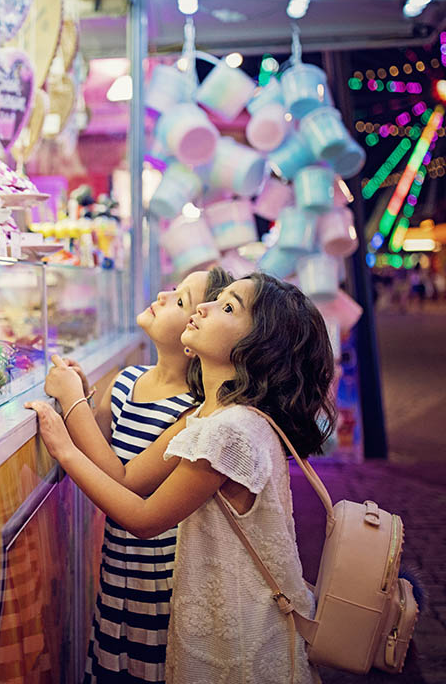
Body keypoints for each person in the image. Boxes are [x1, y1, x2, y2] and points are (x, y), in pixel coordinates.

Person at [28, 273, 335, 683]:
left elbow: (143, 518)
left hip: (239, 635)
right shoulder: (215, 416)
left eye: (227, 308)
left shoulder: (227, 429)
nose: (202, 308)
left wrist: (64, 447)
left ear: (258, 349)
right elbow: (129, 478)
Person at [66, 266, 232, 684]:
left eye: (180, 301)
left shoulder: (192, 411)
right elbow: (100, 447)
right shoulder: (126, 381)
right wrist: (84, 400)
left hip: (160, 582)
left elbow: (123, 483)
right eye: (175, 289)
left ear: (195, 338)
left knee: (151, 669)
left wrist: (70, 406)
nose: (163, 294)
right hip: (115, 568)